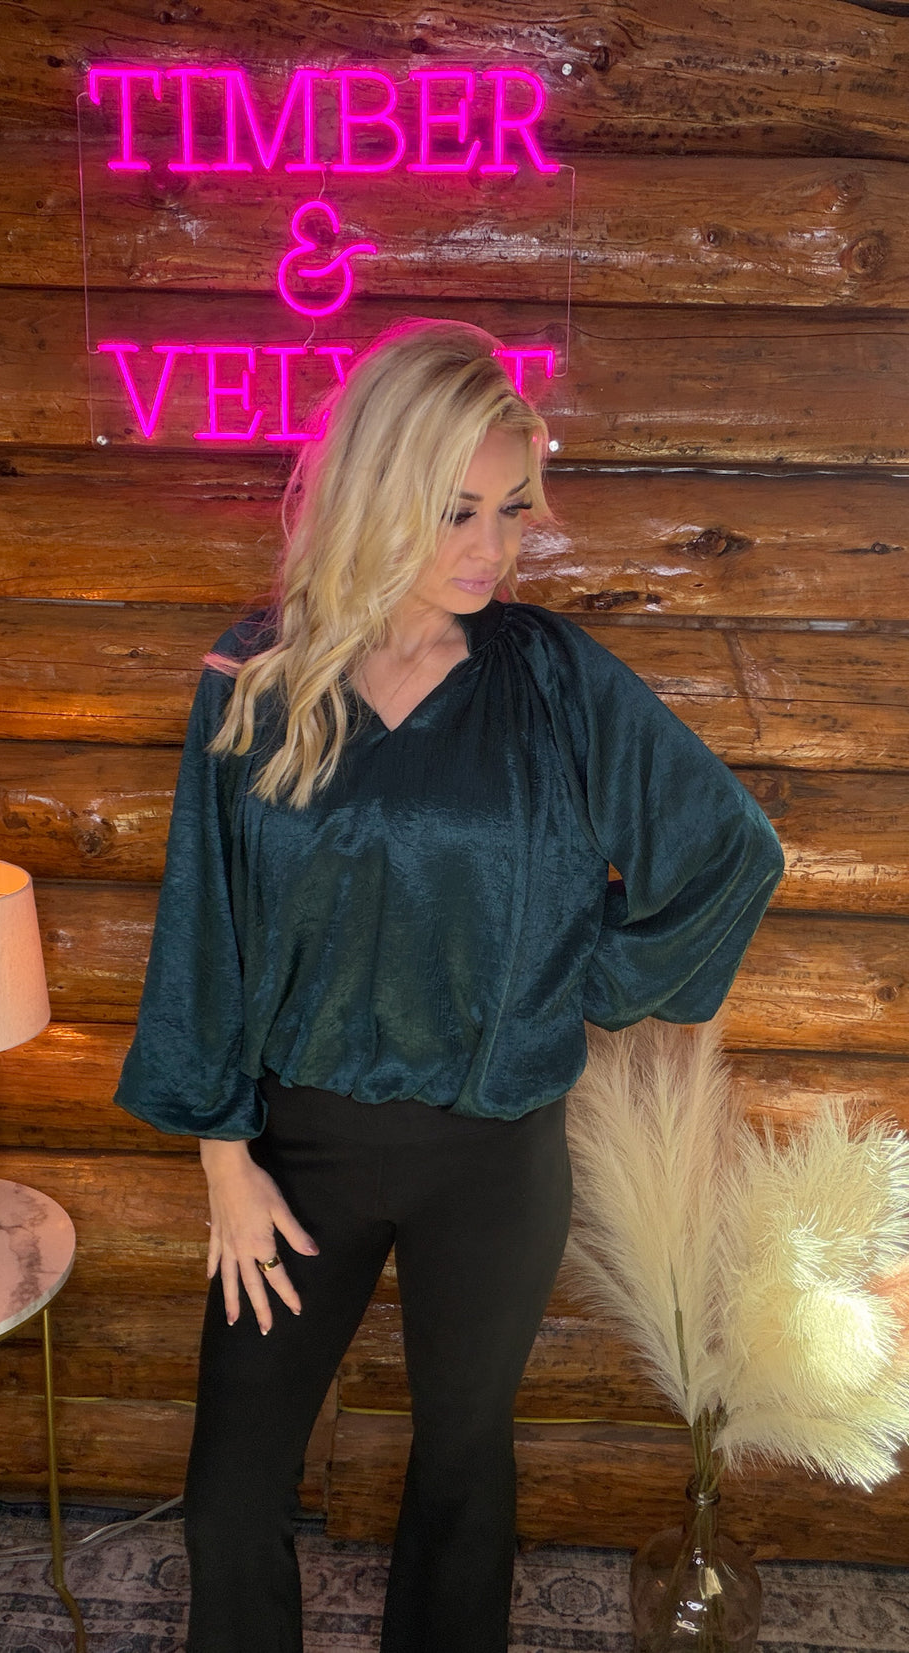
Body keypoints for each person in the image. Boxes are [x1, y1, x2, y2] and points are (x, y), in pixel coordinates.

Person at [113, 317, 785, 1653]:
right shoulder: (254, 675)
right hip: (299, 1156)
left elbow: (729, 851)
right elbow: (209, 921)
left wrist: (579, 980)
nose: (490, 546)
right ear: (377, 490)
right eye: (454, 510)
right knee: (229, 1500)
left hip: (496, 1159)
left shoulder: (552, 683)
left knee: (462, 1479)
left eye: (508, 510)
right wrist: (222, 1160)